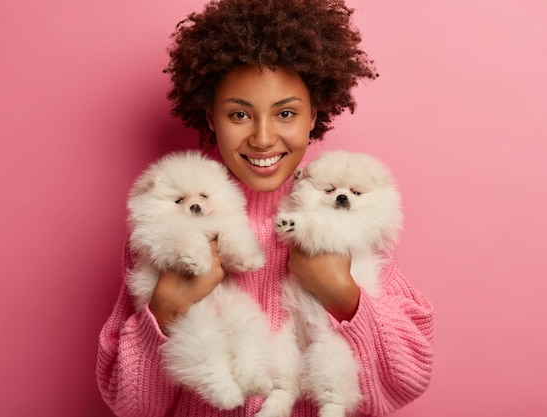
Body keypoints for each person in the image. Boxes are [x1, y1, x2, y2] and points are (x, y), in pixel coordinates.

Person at [97, 0, 434, 416]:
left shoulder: (346, 217)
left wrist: (343, 294)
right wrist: (165, 308)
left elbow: (407, 377)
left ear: (314, 115)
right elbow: (131, 403)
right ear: (210, 117)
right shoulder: (169, 220)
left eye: (286, 113)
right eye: (239, 113)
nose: (262, 137)